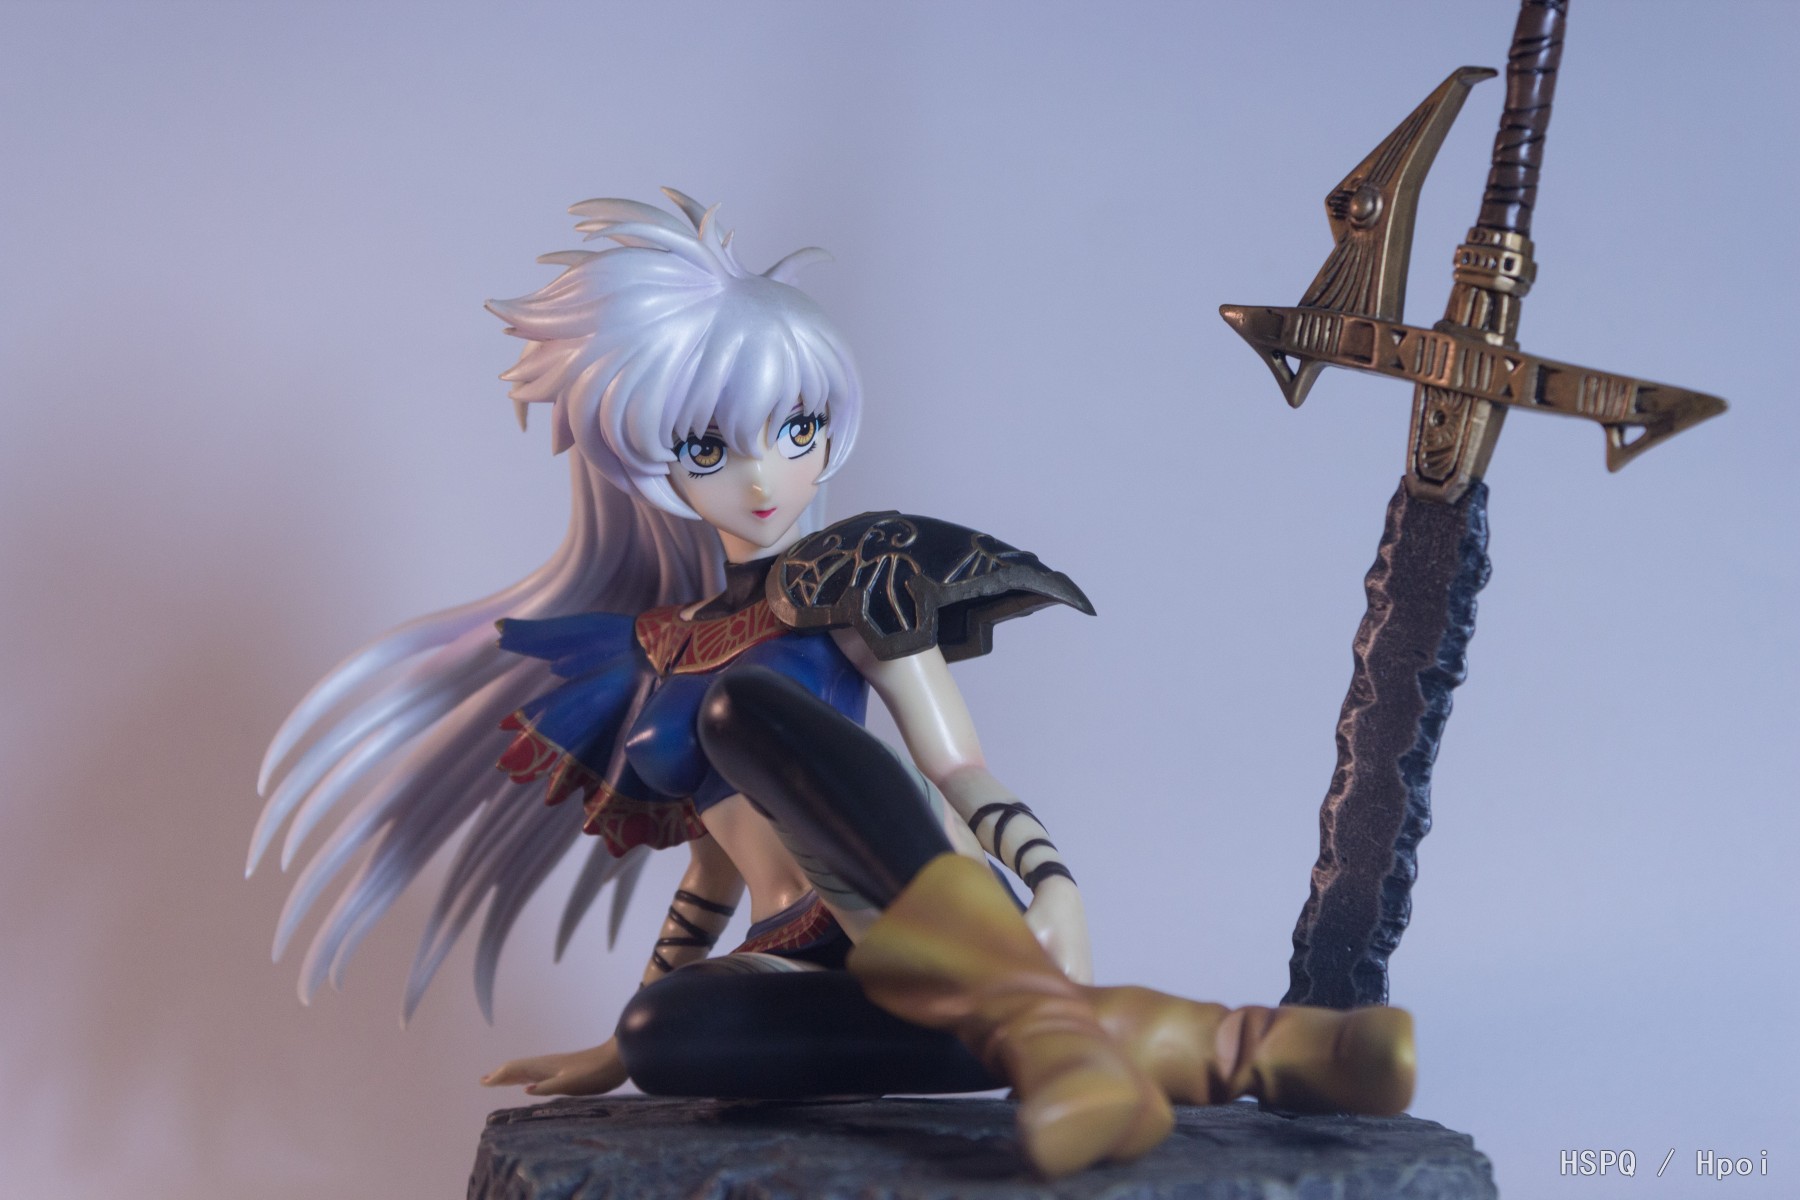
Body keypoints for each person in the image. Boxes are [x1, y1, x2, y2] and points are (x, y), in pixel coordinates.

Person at [252, 191, 1414, 1178]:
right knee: (663, 1032)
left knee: (743, 711)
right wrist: (609, 1055)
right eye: (710, 448)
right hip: (796, 955)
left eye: (796, 429)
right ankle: (1252, 1049)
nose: (764, 475)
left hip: (902, 890)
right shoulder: (649, 653)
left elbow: (954, 761)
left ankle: (1059, 1023)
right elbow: (714, 871)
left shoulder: (850, 577)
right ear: (650, 462)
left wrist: (1051, 878)